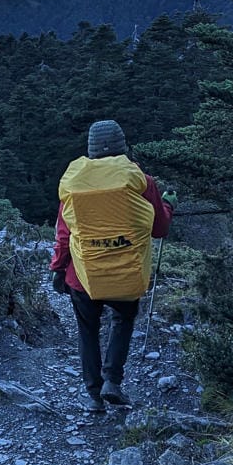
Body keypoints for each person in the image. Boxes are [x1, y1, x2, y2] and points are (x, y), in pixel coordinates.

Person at [50, 120, 175, 413]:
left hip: (83, 275)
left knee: (88, 331)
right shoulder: (142, 181)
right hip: (125, 274)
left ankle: (93, 396)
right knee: (122, 321)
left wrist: (57, 268)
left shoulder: (74, 184)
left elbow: (65, 232)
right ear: (123, 148)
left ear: (91, 151)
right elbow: (160, 228)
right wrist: (169, 205)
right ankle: (112, 382)